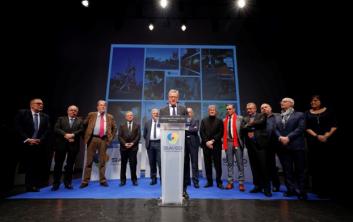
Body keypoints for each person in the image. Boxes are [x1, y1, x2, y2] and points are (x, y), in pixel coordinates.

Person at [15, 98, 51, 192]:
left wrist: (40, 140)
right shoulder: (23, 113)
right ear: (31, 105)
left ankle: (32, 185)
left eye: (42, 104)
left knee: (35, 166)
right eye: (38, 103)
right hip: (24, 144)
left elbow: (47, 130)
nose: (41, 105)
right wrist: (27, 139)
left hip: (38, 144)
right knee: (25, 165)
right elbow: (18, 127)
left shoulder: (45, 116)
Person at [305, 95, 337, 198]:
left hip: (327, 140)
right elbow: (307, 127)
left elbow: (334, 125)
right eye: (312, 101)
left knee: (327, 163)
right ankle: (316, 188)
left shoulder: (329, 111)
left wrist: (326, 135)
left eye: (315, 100)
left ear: (320, 101)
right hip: (314, 141)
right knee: (315, 163)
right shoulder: (307, 113)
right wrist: (317, 136)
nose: (312, 102)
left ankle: (328, 188)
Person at [80, 100, 117, 188]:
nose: (103, 107)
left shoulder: (110, 117)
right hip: (92, 139)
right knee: (89, 161)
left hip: (103, 140)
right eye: (101, 105)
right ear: (97, 107)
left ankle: (102, 180)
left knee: (102, 161)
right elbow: (83, 125)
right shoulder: (91, 115)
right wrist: (85, 137)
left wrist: (110, 138)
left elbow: (114, 128)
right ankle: (85, 181)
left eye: (104, 105)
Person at [275, 98, 307, 200]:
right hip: (283, 147)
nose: (282, 103)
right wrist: (280, 137)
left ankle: (302, 191)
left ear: (291, 104)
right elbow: (275, 128)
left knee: (300, 170)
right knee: (287, 170)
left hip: (297, 146)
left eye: (284, 101)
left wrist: (288, 137)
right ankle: (290, 190)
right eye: (281, 102)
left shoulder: (299, 115)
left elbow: (301, 128)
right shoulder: (278, 116)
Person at [159, 89, 189, 198]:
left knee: (182, 167)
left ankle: (183, 190)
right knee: (168, 167)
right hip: (167, 144)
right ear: (168, 98)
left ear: (178, 98)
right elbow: (161, 125)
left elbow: (186, 124)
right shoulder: (162, 110)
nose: (173, 98)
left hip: (180, 144)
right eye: (171, 96)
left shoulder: (183, 109)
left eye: (175, 97)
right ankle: (166, 190)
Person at [241, 102, 271, 197]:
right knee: (254, 167)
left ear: (255, 108)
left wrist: (250, 125)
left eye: (251, 108)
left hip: (260, 145)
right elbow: (242, 128)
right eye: (247, 109)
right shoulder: (244, 118)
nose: (249, 110)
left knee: (263, 167)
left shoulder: (261, 115)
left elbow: (261, 123)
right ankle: (257, 186)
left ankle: (267, 188)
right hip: (250, 146)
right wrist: (251, 126)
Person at [52, 105, 84, 191]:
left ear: (77, 112)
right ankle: (56, 184)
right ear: (68, 111)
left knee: (70, 166)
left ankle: (68, 183)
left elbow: (81, 130)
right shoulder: (61, 119)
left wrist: (73, 134)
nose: (73, 112)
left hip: (73, 146)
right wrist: (65, 135)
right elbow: (56, 129)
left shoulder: (80, 121)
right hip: (61, 145)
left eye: (75, 111)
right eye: (71, 110)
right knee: (58, 165)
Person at [200, 105, 224, 189]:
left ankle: (219, 182)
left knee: (218, 164)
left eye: (213, 109)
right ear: (208, 111)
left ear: (216, 111)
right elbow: (202, 132)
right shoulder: (203, 120)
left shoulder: (220, 121)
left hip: (216, 145)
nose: (212, 111)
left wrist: (212, 141)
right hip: (206, 146)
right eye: (210, 109)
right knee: (207, 164)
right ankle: (209, 182)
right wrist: (207, 142)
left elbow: (221, 133)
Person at [223, 104, 245, 192]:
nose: (228, 110)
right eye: (227, 109)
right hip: (228, 143)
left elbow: (243, 131)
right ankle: (230, 182)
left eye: (230, 109)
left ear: (234, 109)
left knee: (240, 163)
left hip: (237, 143)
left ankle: (241, 183)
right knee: (230, 163)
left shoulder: (240, 118)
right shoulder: (224, 120)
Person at [260, 103, 281, 192]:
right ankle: (271, 185)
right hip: (265, 145)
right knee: (269, 166)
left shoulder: (278, 116)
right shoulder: (260, 118)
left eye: (266, 107)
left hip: (278, 143)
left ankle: (290, 187)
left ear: (270, 108)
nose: (264, 109)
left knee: (285, 165)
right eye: (262, 108)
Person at [118, 111, 141, 186]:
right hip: (124, 148)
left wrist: (133, 143)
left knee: (133, 165)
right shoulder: (121, 125)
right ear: (125, 117)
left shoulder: (137, 125)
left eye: (131, 115)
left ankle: (134, 180)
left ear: (133, 116)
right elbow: (120, 136)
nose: (130, 116)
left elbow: (138, 136)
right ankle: (122, 180)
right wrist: (125, 144)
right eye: (128, 115)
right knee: (123, 165)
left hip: (133, 148)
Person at [143, 108, 161, 185]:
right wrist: (149, 140)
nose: (155, 114)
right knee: (152, 163)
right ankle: (153, 179)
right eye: (154, 113)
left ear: (158, 114)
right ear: (151, 114)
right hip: (150, 144)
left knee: (160, 163)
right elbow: (145, 135)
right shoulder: (147, 123)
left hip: (159, 144)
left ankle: (162, 179)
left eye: (157, 113)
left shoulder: (162, 122)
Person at [185, 107, 201, 188]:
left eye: (190, 112)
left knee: (194, 163)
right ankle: (187, 181)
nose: (188, 114)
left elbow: (196, 130)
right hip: (184, 143)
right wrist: (191, 129)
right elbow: (182, 129)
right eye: (187, 112)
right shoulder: (183, 121)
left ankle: (195, 181)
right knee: (186, 163)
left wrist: (186, 128)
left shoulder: (196, 120)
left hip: (194, 143)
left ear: (192, 113)